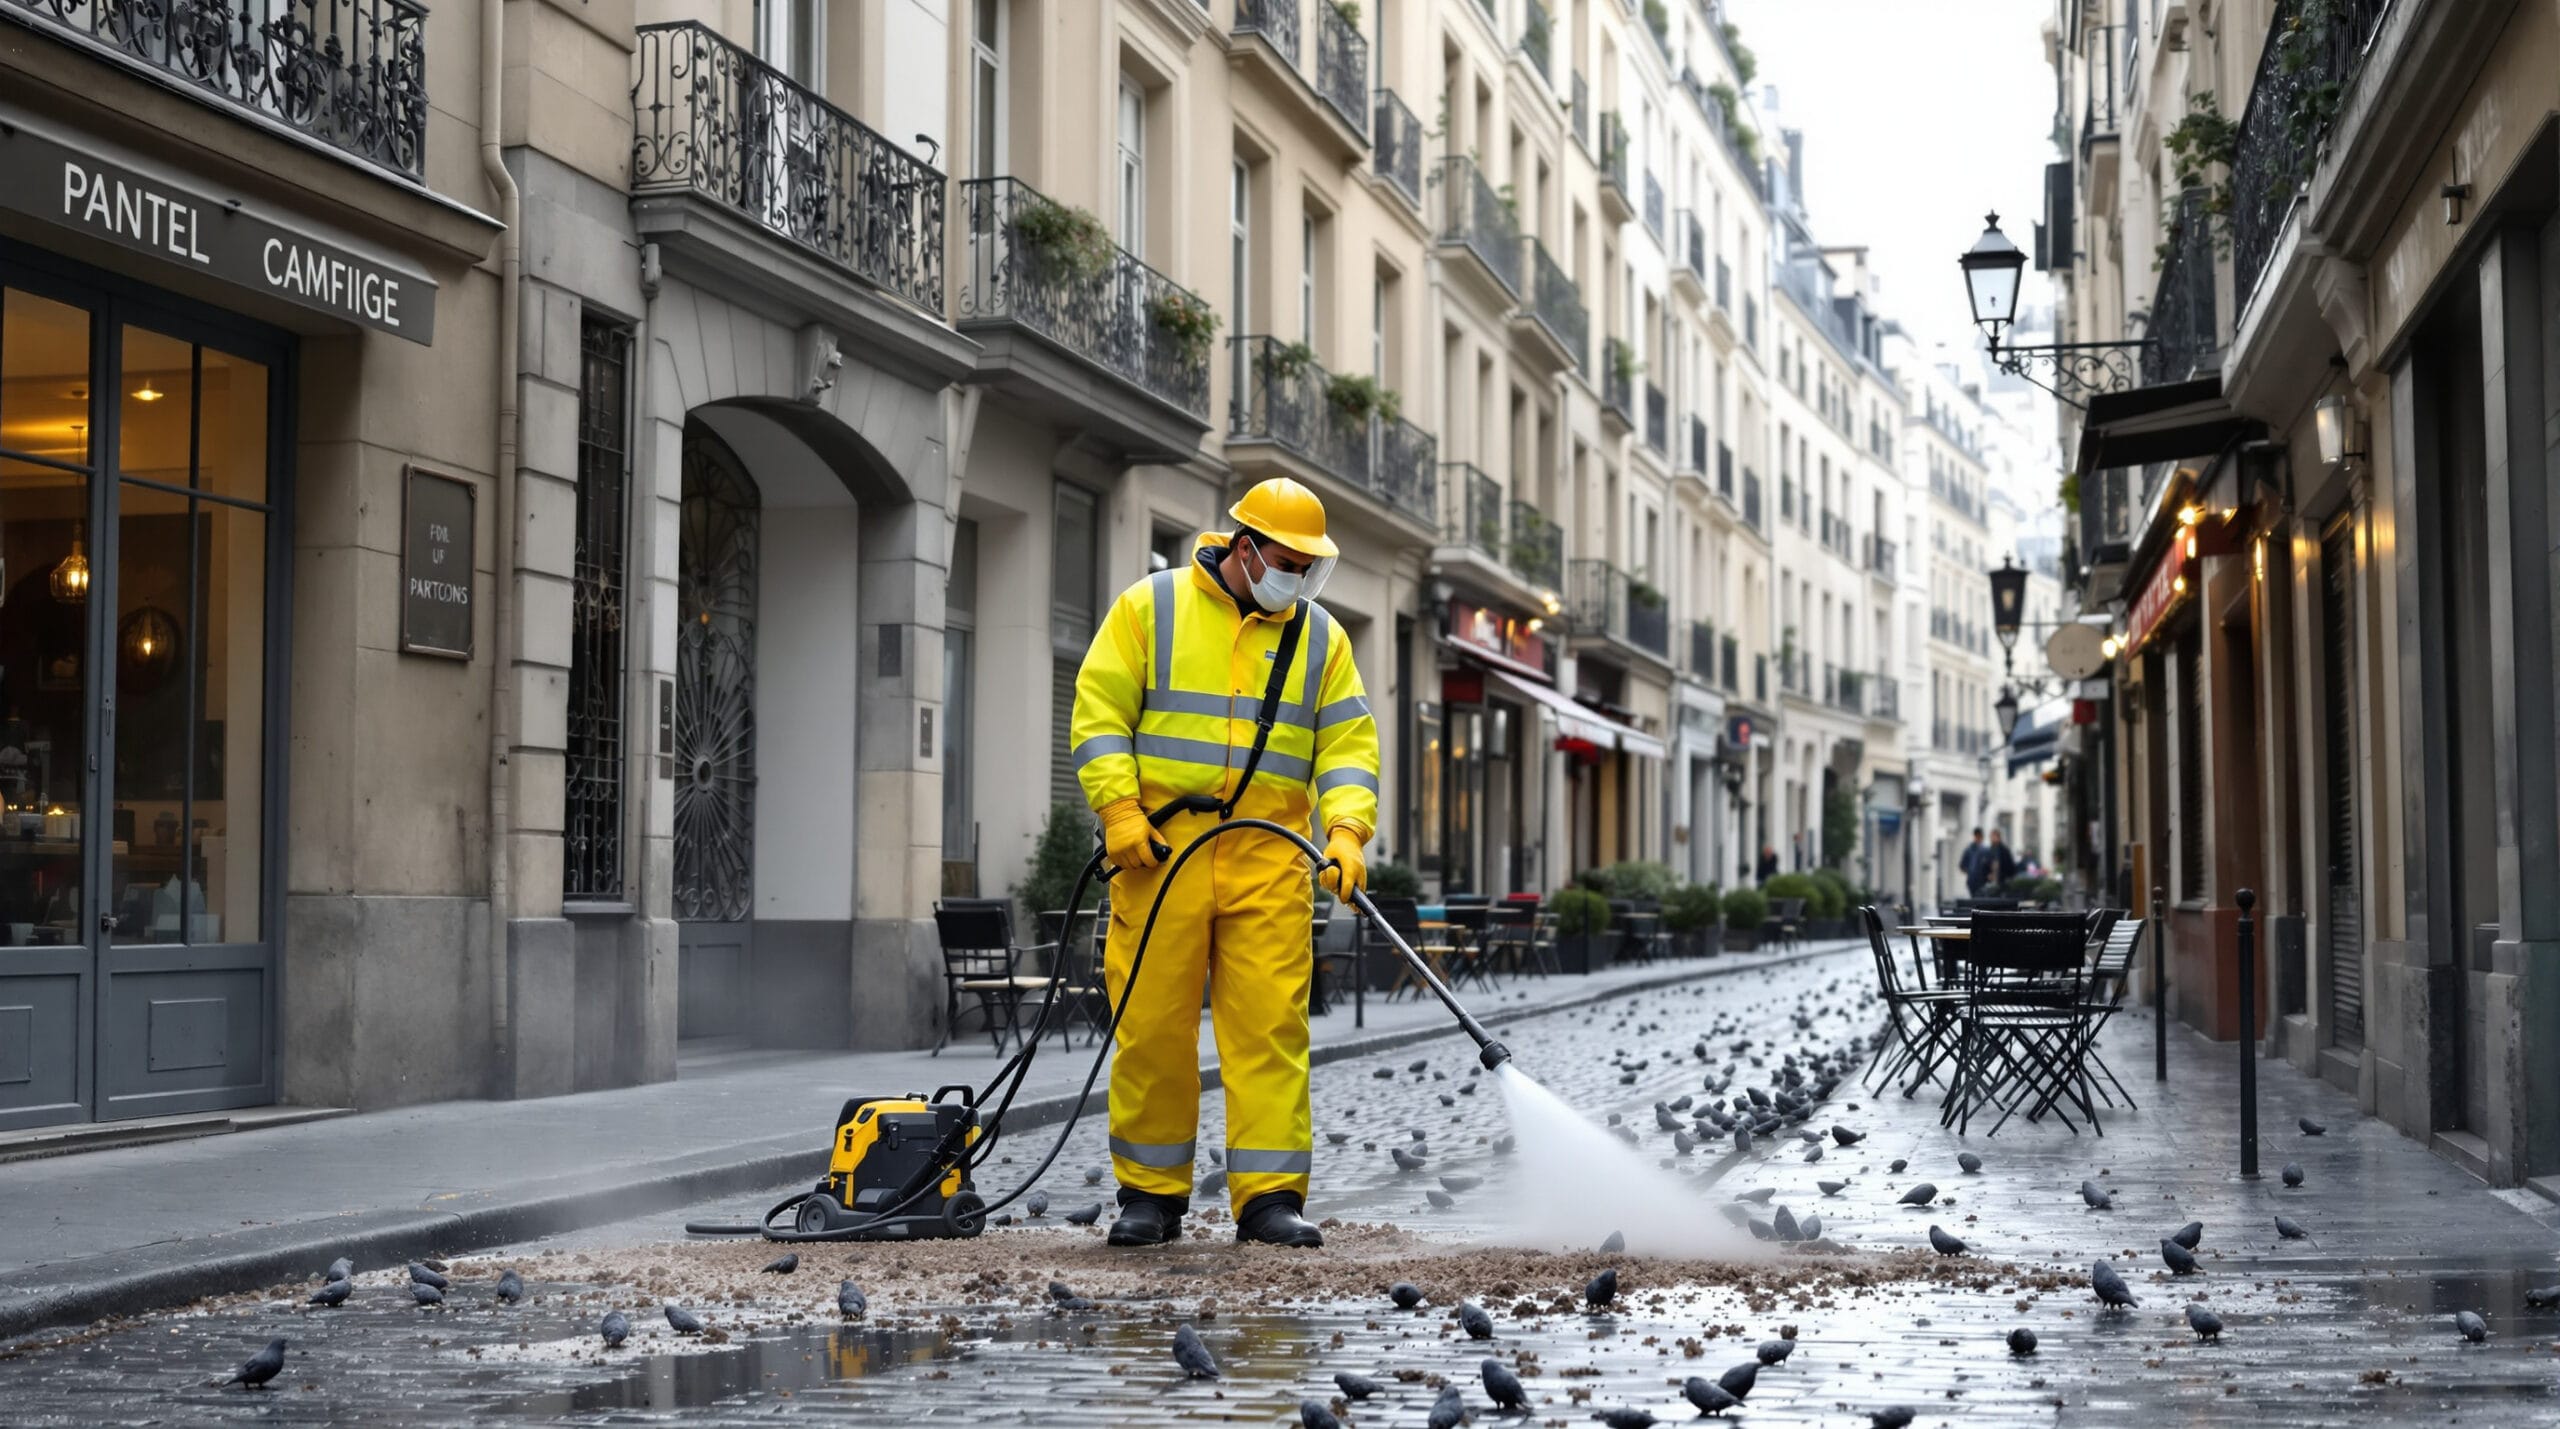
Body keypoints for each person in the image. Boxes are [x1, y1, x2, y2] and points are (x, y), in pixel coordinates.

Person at [1069, 476, 1380, 1251]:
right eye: (1288, 561)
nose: (1299, 579)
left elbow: (1346, 744)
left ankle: (1270, 1199)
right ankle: (1150, 1195)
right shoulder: (1152, 607)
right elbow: (1099, 709)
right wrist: (1118, 811)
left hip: (1270, 861)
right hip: (1161, 855)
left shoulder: (1322, 639)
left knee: (1271, 1031)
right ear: (1244, 549)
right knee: (1151, 1029)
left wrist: (1345, 832)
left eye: (1310, 566)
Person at [1959, 827, 1988, 898]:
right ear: (1975, 836)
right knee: (1975, 899)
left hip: (1983, 881)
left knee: (1981, 899)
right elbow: (1962, 865)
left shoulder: (1985, 850)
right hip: (1972, 881)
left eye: (1980, 837)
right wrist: (1970, 871)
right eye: (1977, 836)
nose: (1978, 839)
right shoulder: (1969, 850)